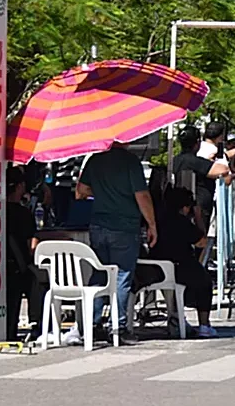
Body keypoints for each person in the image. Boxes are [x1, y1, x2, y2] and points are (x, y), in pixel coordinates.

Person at [71, 142, 157, 345]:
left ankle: (91, 325)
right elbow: (142, 195)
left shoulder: (95, 159)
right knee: (122, 275)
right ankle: (117, 327)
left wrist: (102, 192)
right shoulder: (130, 162)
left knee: (100, 273)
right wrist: (152, 223)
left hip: (98, 225)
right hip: (125, 226)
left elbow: (80, 191)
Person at [148, 186, 218, 338]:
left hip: (155, 269)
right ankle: (204, 325)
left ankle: (177, 317)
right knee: (205, 282)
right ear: (185, 207)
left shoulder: (156, 220)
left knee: (174, 290)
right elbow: (202, 242)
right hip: (179, 267)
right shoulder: (182, 223)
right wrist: (199, 218)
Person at [4, 166, 48, 342]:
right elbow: (33, 245)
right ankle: (38, 323)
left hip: (3, 264)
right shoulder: (23, 213)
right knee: (40, 277)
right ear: (20, 187)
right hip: (20, 267)